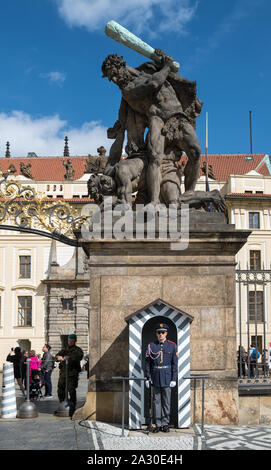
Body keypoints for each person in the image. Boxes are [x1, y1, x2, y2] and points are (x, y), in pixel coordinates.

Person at [102, 50, 202, 206]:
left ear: (122, 66)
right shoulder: (128, 91)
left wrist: (162, 59)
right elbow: (154, 84)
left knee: (195, 151)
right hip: (157, 120)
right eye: (111, 78)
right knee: (155, 157)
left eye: (114, 74)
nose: (114, 80)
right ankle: (154, 201)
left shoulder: (148, 69)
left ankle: (190, 191)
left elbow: (163, 73)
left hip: (177, 116)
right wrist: (167, 66)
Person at [145, 323, 178, 433]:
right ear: (156, 334)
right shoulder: (151, 346)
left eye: (162, 332)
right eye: (159, 332)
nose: (160, 334)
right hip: (155, 377)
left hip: (167, 377)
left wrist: (174, 379)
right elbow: (148, 363)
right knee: (156, 402)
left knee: (166, 402)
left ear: (166, 333)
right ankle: (158, 424)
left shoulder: (172, 346)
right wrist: (147, 377)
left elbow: (174, 364)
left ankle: (165, 423)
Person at [55, 334, 84, 417]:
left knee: (71, 390)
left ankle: (72, 407)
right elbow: (56, 356)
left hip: (72, 374)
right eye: (69, 341)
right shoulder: (65, 349)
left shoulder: (78, 350)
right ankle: (62, 405)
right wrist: (58, 357)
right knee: (60, 389)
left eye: (71, 341)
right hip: (63, 373)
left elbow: (79, 356)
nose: (70, 342)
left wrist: (68, 357)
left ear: (75, 341)